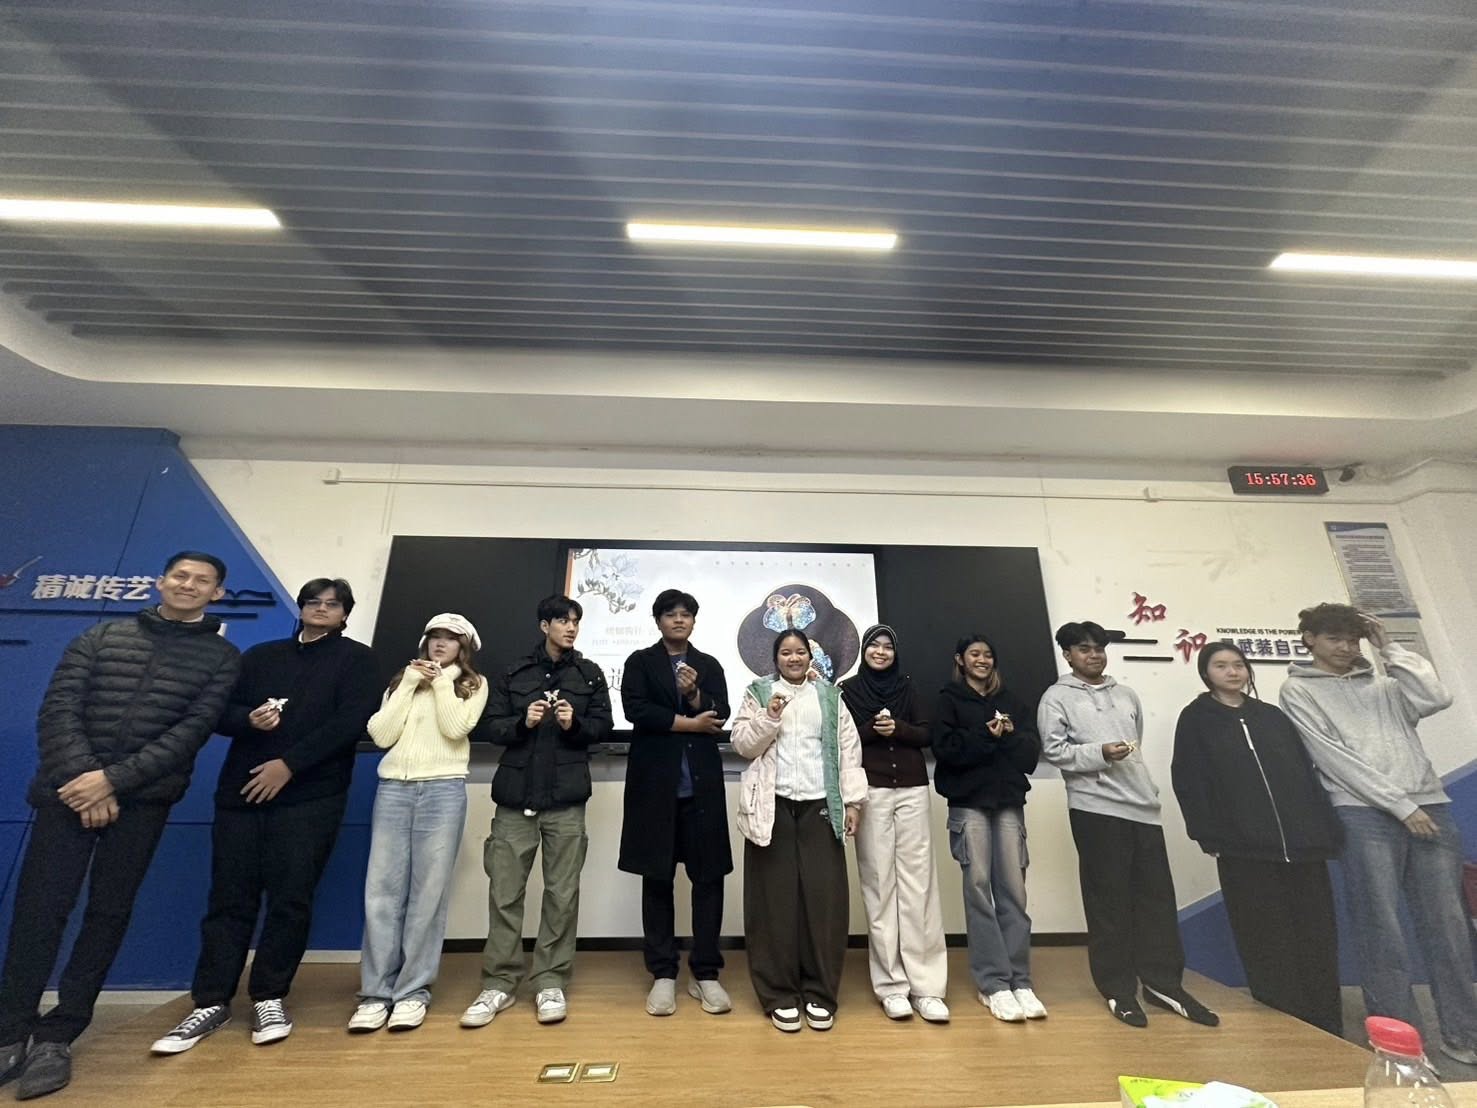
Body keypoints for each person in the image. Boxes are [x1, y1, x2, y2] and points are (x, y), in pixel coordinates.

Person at [0, 552, 240, 1100]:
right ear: (161, 582)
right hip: (67, 794)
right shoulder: (102, 636)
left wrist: (113, 782)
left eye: (202, 581)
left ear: (217, 594)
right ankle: (10, 1028)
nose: (189, 584)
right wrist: (85, 779)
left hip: (141, 802)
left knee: (107, 914)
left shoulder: (222, 658)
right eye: (180, 575)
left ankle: (60, 1035)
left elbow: (191, 731)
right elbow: (58, 709)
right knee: (38, 911)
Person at [152, 578, 380, 1055]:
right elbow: (218, 712)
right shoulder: (260, 656)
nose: (321, 609)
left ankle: (270, 996)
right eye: (313, 602)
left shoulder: (358, 660)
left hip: (311, 796)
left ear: (345, 614)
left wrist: (289, 765)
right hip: (242, 793)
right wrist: (247, 720)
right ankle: (210, 1001)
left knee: (291, 899)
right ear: (300, 608)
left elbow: (351, 723)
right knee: (229, 899)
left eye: (332, 604)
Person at [1278, 604, 1477, 1065]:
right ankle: (1399, 1045)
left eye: (1353, 639)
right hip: (1365, 813)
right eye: (1334, 638)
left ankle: (1463, 1034)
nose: (1346, 647)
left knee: (1449, 927)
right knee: (1381, 928)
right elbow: (1333, 759)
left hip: (1431, 806)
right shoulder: (1298, 690)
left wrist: (1389, 647)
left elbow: (1436, 697)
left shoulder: (1385, 684)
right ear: (1309, 639)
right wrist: (1401, 806)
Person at [1038, 620, 1217, 1029]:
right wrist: (1100, 752)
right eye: (1084, 649)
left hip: (1143, 808)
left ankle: (1163, 984)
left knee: (1156, 901)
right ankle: (1118, 988)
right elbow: (1054, 750)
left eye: (1099, 648)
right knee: (1109, 904)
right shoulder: (1056, 698)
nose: (1094, 655)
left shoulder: (1126, 694)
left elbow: (1135, 743)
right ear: (1068, 654)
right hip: (1095, 809)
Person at [1171, 641, 1343, 1035]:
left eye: (1238, 664)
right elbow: (1189, 779)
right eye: (1221, 665)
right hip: (1244, 849)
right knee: (1264, 937)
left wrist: (1323, 828)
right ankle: (1283, 1020)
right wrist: (1206, 833)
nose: (1232, 672)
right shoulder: (1196, 719)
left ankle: (1327, 1021)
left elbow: (1306, 771)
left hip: (1304, 847)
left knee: (1316, 934)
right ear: (1205, 673)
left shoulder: (1271, 716)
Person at [460, 595, 612, 1029]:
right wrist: (522, 723)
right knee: (505, 894)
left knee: (562, 895)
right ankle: (499, 982)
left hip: (566, 801)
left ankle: (550, 981)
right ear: (545, 625)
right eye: (563, 620)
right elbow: (491, 727)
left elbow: (603, 726)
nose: (571, 627)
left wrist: (573, 724)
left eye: (576, 621)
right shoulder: (514, 672)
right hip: (515, 799)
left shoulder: (589, 673)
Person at [348, 614, 487, 1034]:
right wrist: (409, 684)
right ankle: (375, 994)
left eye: (451, 639)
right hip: (394, 789)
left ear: (464, 648)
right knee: (381, 893)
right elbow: (380, 734)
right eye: (434, 637)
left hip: (443, 790)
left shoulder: (472, 684)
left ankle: (412, 992)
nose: (440, 644)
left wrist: (441, 683)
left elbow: (456, 728)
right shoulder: (401, 682)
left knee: (428, 894)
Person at [730, 629, 866, 1033]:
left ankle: (820, 992)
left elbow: (849, 751)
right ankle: (779, 994)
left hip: (819, 807)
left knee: (824, 904)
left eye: (800, 652)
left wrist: (853, 803)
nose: (793, 658)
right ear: (775, 658)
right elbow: (743, 745)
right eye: (786, 652)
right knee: (773, 904)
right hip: (772, 808)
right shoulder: (759, 692)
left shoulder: (830, 697)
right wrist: (769, 716)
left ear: (811, 656)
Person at [618, 590, 734, 1018]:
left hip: (701, 790)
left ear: (694, 621)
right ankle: (663, 972)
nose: (679, 620)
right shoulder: (640, 662)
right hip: (656, 789)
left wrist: (696, 695)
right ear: (658, 620)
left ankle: (705, 972)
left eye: (686, 614)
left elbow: (721, 714)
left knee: (709, 880)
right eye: (671, 614)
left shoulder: (709, 664)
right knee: (657, 880)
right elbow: (636, 710)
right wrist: (690, 722)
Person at [931, 633, 1045, 1023]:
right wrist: (985, 734)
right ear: (960, 660)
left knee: (1014, 891)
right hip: (969, 805)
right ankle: (993, 983)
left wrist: (1008, 735)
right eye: (974, 654)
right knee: (979, 890)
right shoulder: (948, 700)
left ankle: (1020, 980)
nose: (982, 660)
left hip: (1009, 803)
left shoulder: (1012, 701)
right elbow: (945, 751)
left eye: (988, 655)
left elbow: (1030, 756)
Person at [839, 624, 949, 1023]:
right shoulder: (848, 691)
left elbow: (927, 734)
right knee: (879, 885)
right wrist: (873, 729)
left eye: (888, 647)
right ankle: (891, 986)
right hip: (871, 791)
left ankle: (928, 988)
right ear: (864, 650)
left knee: (920, 886)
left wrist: (898, 728)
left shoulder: (907, 687)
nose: (881, 652)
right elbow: (843, 741)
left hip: (913, 790)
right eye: (874, 645)